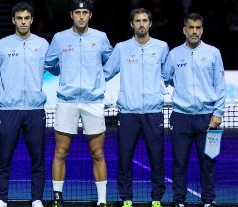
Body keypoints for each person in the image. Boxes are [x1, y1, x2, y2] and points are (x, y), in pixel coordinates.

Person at [44, 0, 113, 206]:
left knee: (98, 153)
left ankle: (102, 201)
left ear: (90, 15)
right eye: (77, 12)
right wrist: (65, 73)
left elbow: (110, 61)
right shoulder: (59, 38)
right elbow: (50, 64)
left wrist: (99, 80)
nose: (81, 16)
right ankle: (57, 198)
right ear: (71, 14)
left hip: (93, 102)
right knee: (60, 151)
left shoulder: (100, 38)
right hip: (67, 102)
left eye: (85, 12)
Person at [103, 8, 169, 207]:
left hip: (153, 112)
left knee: (157, 158)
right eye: (137, 21)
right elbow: (106, 72)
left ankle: (157, 199)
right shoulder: (122, 48)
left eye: (145, 20)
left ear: (150, 23)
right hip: (128, 112)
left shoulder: (162, 47)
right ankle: (126, 198)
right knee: (125, 158)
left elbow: (168, 74)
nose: (141, 24)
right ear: (132, 24)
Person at [162, 13, 226, 207]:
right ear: (184, 30)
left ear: (202, 30)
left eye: (198, 28)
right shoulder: (174, 54)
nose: (194, 31)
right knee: (179, 163)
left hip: (209, 118)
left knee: (209, 162)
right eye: (191, 27)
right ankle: (179, 201)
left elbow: (220, 85)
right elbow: (166, 77)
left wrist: (218, 113)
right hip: (181, 117)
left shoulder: (214, 53)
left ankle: (209, 200)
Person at [0, 2, 48, 207]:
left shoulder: (42, 44)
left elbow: (52, 65)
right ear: (13, 20)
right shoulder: (1, 45)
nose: (23, 22)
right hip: (9, 110)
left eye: (26, 18)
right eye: (19, 18)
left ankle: (37, 199)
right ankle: (0, 198)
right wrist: (2, 89)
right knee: (4, 157)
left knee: (38, 159)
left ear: (31, 20)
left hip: (34, 109)